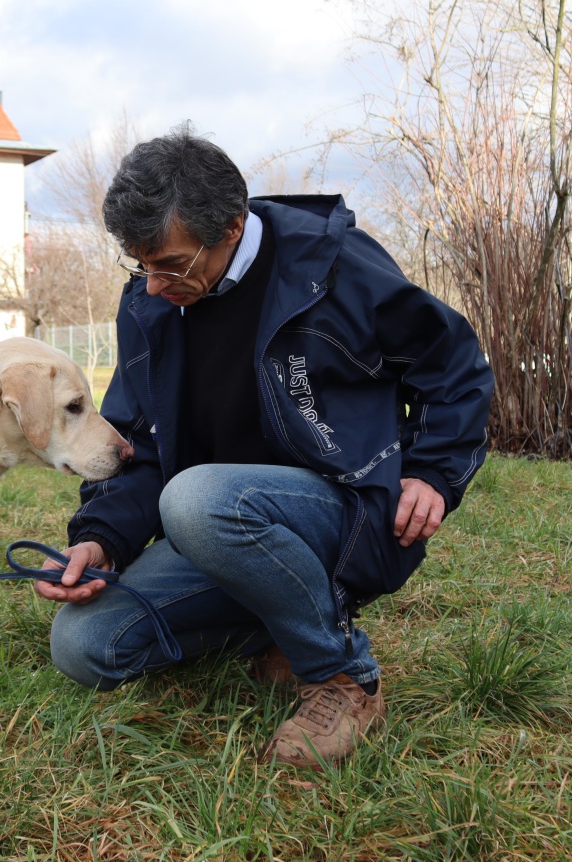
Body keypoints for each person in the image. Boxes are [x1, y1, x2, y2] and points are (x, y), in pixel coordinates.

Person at [36, 125, 494, 769]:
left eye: (168, 263)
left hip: (342, 514)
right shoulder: (151, 300)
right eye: (139, 264)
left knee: (195, 497)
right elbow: (140, 438)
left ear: (230, 226)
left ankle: (341, 676)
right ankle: (279, 623)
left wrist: (434, 472)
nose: (153, 284)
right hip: (220, 529)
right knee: (84, 645)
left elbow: (455, 366)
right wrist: (102, 539)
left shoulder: (332, 265)